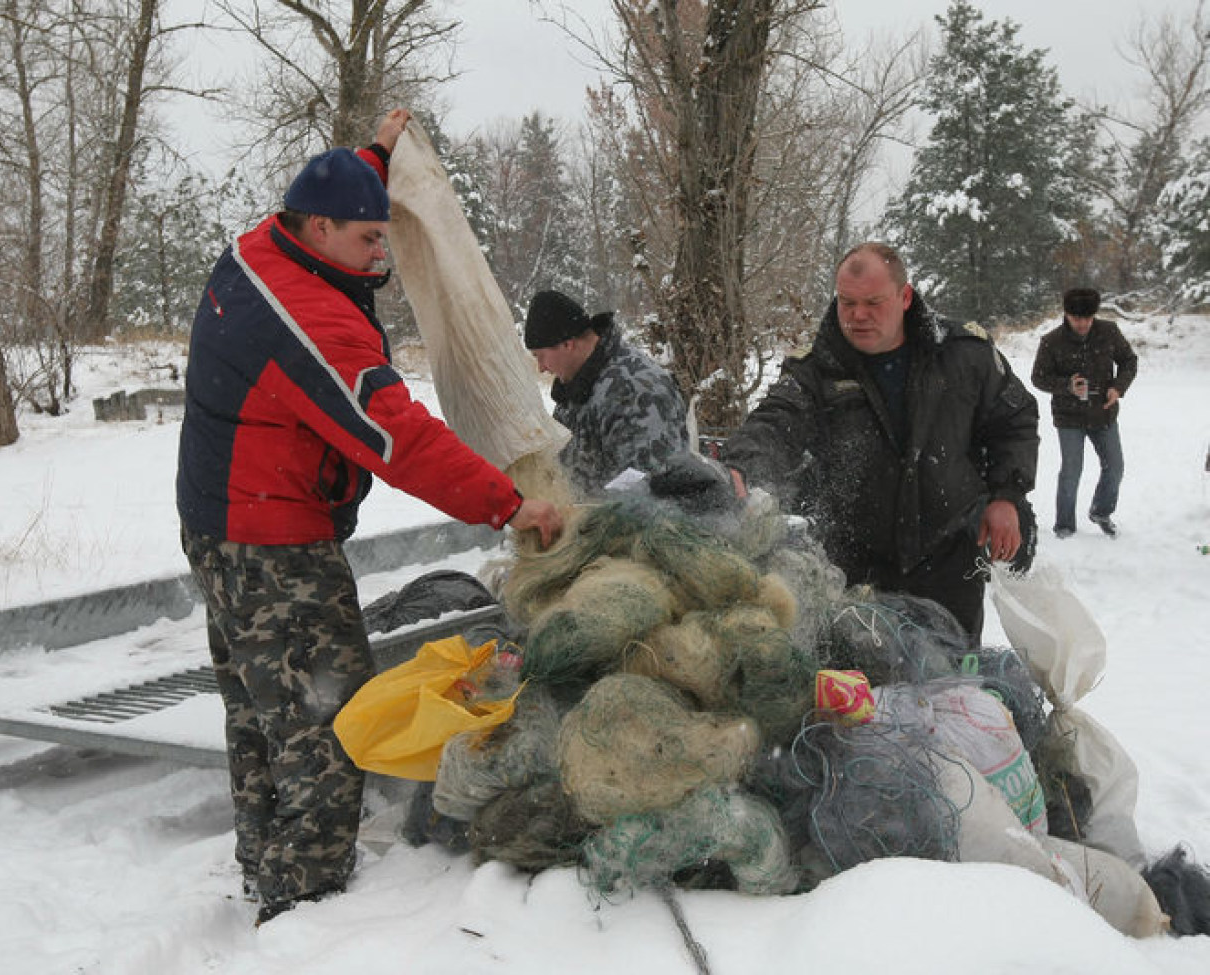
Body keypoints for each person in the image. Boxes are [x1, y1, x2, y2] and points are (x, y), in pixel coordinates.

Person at [176, 108, 563, 926]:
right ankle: (306, 904)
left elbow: (341, 190)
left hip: (219, 524)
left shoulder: (266, 244)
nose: (382, 253)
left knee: (256, 706)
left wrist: (377, 156)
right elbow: (399, 434)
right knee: (327, 719)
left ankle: (265, 865)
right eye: (368, 240)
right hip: (273, 544)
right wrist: (511, 499)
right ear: (319, 229)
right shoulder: (308, 320)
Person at [721, 242, 1039, 641]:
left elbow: (1015, 421)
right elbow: (774, 422)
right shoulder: (817, 369)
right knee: (858, 695)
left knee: (949, 687)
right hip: (851, 569)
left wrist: (1006, 496)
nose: (858, 316)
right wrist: (741, 467)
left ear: (904, 297)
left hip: (948, 562)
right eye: (847, 302)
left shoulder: (963, 355)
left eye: (873, 302)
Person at [523, 289, 690, 495]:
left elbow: (649, 485)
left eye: (540, 356)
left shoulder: (635, 390)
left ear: (568, 344)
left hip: (632, 523)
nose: (541, 367)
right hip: (584, 520)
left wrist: (586, 516)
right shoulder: (579, 382)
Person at [1031, 287, 1138, 539]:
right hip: (1069, 418)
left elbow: (1128, 361)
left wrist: (1117, 388)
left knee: (1115, 467)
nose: (1083, 324)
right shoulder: (1051, 341)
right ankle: (1065, 526)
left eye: (1088, 318)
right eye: (1077, 318)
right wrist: (1067, 386)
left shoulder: (1109, 332)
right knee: (1071, 470)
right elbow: (1038, 377)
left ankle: (1101, 511)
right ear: (1066, 314)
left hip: (1104, 414)